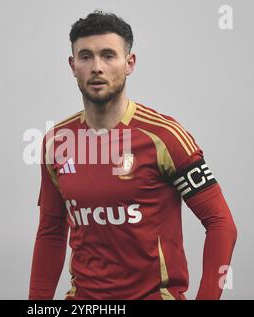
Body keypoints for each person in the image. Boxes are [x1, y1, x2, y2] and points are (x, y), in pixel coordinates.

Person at [29, 10, 237, 300]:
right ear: (72, 65)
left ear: (130, 63)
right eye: (86, 56)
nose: (97, 67)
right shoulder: (57, 142)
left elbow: (221, 223)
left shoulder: (164, 136)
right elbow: (51, 233)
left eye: (108, 55)